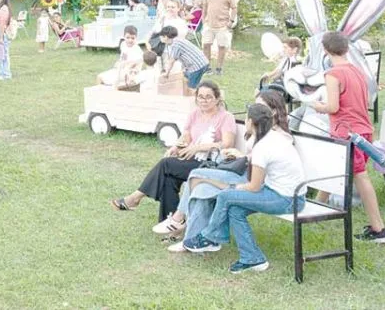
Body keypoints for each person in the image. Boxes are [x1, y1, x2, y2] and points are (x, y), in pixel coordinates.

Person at [183, 102, 305, 274]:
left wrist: (232, 188)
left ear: (250, 122)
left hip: (286, 200)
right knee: (235, 209)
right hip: (287, 194)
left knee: (226, 197)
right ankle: (252, 258)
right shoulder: (273, 137)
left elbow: (254, 187)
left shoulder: (263, 147)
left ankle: (209, 237)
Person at [162, 90, 290, 249]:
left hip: (255, 181)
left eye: (259, 106)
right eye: (253, 105)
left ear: (274, 111)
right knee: (202, 187)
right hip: (243, 171)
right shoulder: (262, 128)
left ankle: (178, 219)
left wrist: (242, 156)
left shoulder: (279, 136)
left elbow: (268, 163)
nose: (254, 110)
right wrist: (237, 156)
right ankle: (193, 239)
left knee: (196, 176)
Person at [110, 81, 236, 222]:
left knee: (166, 165)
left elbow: (227, 143)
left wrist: (198, 147)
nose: (204, 101)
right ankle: (170, 224)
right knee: (168, 179)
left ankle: (134, 198)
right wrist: (176, 146)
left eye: (208, 97)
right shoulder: (195, 114)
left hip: (209, 164)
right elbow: (186, 135)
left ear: (217, 99)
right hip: (191, 158)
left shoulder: (226, 117)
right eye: (200, 97)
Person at [312, 31, 385, 243]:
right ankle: (315, 211)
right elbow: (365, 102)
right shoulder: (358, 72)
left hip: (347, 133)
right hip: (363, 129)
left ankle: (380, 229)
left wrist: (318, 106)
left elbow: (333, 106)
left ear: (325, 50)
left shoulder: (333, 74)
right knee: (333, 170)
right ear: (347, 48)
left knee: (360, 176)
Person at [201, 0, 238, 75]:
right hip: (209, 24)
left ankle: (219, 68)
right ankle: (207, 67)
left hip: (222, 25)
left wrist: (231, 21)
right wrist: (203, 20)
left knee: (222, 46)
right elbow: (204, 6)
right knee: (206, 45)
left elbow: (234, 8)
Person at [160, 25, 209, 95]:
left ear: (165, 37)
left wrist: (167, 73)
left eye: (161, 36)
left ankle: (194, 99)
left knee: (191, 87)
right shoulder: (178, 40)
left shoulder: (175, 44)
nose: (160, 38)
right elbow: (184, 57)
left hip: (197, 67)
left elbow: (172, 61)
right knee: (185, 76)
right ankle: (199, 89)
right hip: (202, 62)